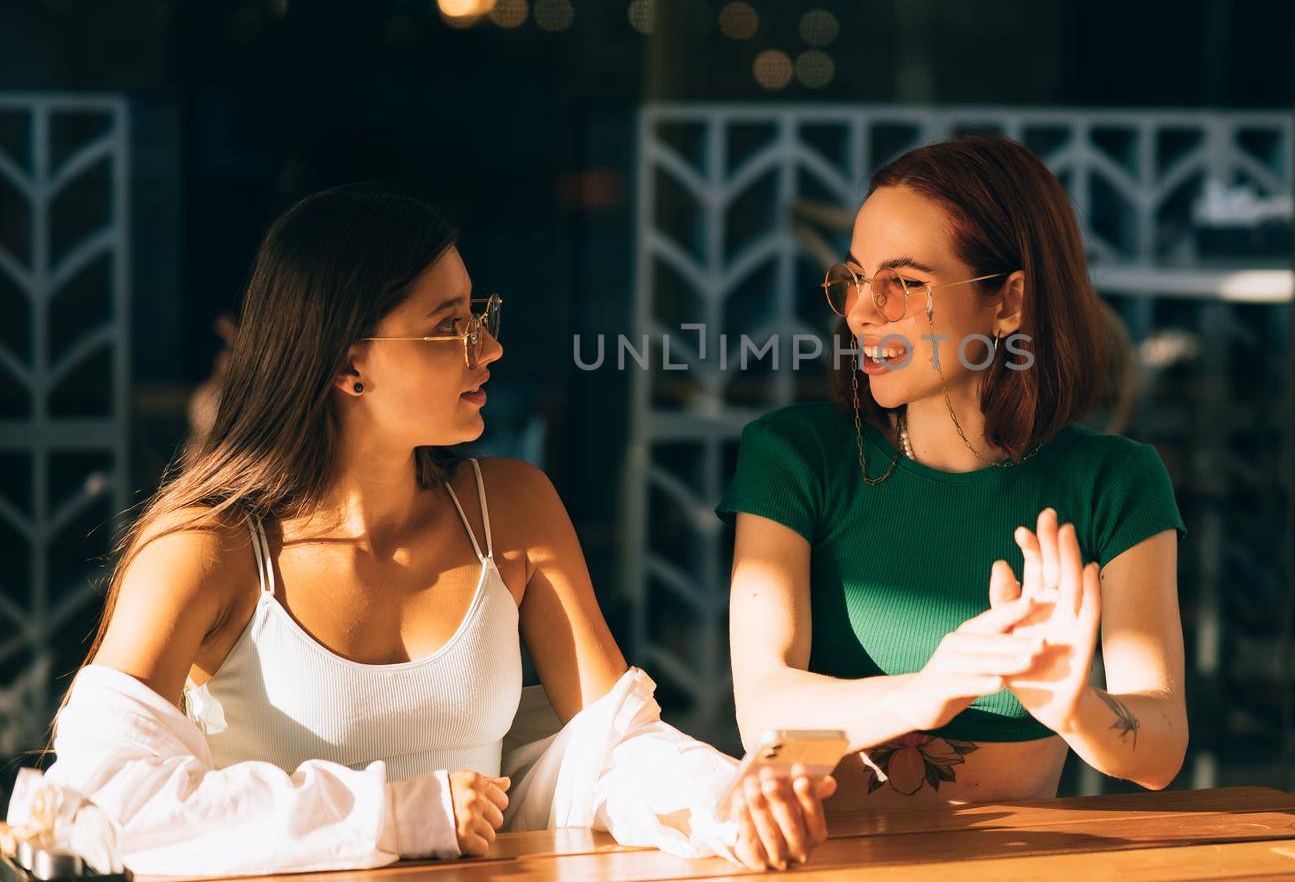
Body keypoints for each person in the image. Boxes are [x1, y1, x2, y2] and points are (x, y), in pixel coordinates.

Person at [33, 185, 831, 874]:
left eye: (477, 313)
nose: (489, 347)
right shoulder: (207, 548)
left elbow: (613, 741)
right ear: (349, 365)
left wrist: (728, 798)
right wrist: (394, 813)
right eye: (450, 325)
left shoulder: (512, 510)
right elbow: (97, 796)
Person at [719, 135, 1188, 811]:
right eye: (855, 278)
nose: (859, 311)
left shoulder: (1114, 480)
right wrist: (929, 688)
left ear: (1009, 302)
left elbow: (1162, 745)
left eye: (903, 284)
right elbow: (763, 716)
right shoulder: (795, 457)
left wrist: (1077, 707)